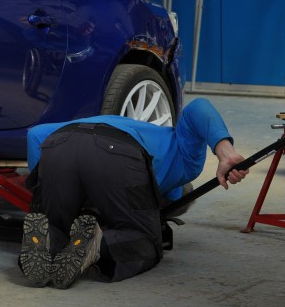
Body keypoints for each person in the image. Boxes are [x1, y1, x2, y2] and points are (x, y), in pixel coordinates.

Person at [18, 97, 248, 289]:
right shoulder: (184, 165)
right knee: (146, 242)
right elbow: (199, 107)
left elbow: (35, 135)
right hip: (119, 152)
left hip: (59, 143)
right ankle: (98, 245)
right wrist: (227, 155)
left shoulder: (136, 127)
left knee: (60, 227)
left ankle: (49, 238)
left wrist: (45, 196)